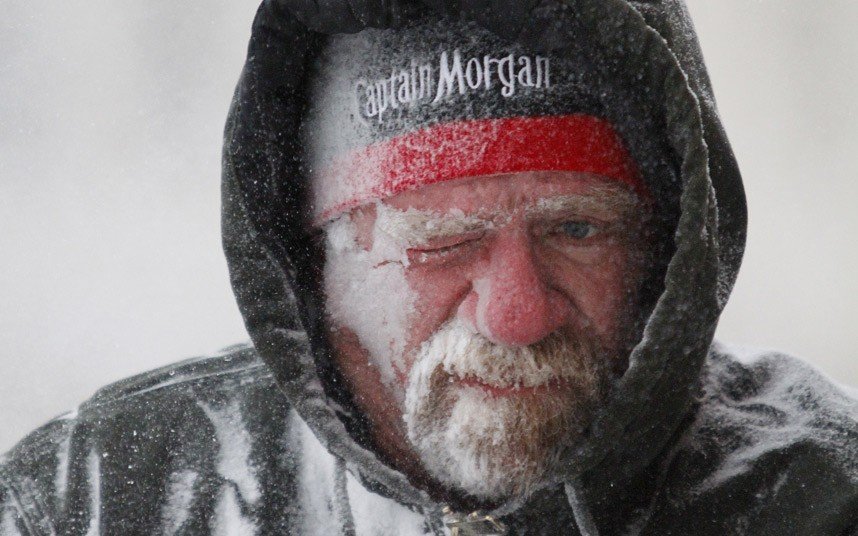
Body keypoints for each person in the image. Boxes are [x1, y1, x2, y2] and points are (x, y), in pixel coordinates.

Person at [1, 0, 856, 534]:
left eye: (579, 229)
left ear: (669, 250)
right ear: (319, 264)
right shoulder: (94, 499)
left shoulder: (820, 496)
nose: (515, 314)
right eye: (440, 241)